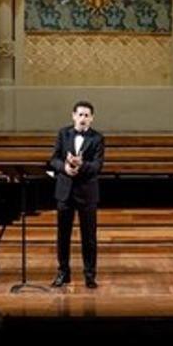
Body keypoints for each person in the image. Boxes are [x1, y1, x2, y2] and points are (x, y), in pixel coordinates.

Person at [48, 101, 105, 289]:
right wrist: (64, 167)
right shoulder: (63, 134)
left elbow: (97, 166)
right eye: (80, 115)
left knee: (89, 237)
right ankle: (63, 273)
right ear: (73, 116)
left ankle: (90, 275)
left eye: (87, 115)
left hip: (87, 193)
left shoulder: (97, 138)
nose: (83, 118)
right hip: (65, 192)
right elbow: (53, 159)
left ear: (92, 118)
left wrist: (81, 165)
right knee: (62, 235)